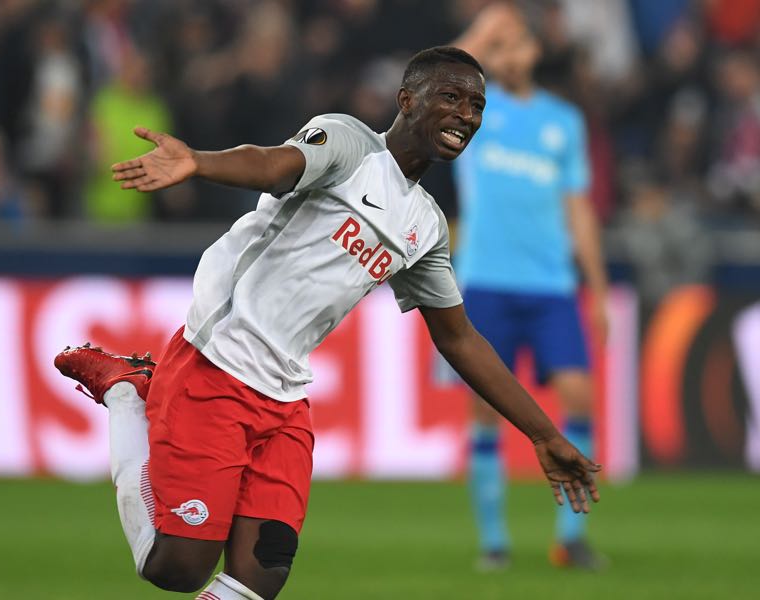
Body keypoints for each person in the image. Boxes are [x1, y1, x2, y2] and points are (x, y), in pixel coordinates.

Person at [54, 46, 600, 600]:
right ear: (407, 100)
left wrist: (544, 433)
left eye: (476, 105)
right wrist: (200, 160)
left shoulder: (425, 226)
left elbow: (457, 337)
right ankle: (126, 390)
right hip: (217, 363)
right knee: (176, 569)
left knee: (260, 576)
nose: (467, 115)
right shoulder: (347, 143)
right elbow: (270, 163)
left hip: (285, 396)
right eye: (452, 97)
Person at [454, 4, 609, 570]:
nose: (510, 53)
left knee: (579, 398)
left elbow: (579, 209)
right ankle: (494, 543)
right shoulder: (473, 113)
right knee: (485, 412)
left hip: (551, 286)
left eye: (518, 43)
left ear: (536, 52)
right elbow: (438, 75)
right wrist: (487, 28)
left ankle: (569, 539)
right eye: (500, 48)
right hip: (488, 282)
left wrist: (594, 288)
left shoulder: (563, 121)